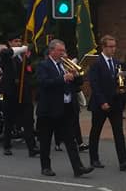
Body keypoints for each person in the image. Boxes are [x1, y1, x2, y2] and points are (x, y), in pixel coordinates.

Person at [35, 39, 93, 177]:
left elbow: (77, 84)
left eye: (64, 50)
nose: (63, 53)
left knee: (70, 140)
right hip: (49, 110)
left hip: (65, 108)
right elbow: (43, 83)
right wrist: (63, 78)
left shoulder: (64, 65)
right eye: (60, 51)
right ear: (52, 51)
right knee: (46, 140)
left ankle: (78, 168)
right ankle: (46, 167)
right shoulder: (44, 65)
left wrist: (76, 75)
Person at [87, 35, 126, 170]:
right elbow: (94, 84)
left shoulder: (117, 63)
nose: (113, 49)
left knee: (119, 133)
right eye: (110, 47)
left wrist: (121, 90)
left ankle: (124, 161)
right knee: (96, 131)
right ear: (103, 47)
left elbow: (119, 82)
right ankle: (94, 159)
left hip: (115, 102)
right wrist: (102, 101)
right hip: (100, 103)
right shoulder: (96, 62)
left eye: (114, 46)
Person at [0, 35, 39, 157]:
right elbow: (6, 53)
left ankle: (32, 147)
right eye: (15, 41)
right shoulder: (6, 55)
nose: (18, 43)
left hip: (24, 93)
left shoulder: (23, 57)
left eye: (19, 41)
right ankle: (6, 145)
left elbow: (28, 73)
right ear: (9, 42)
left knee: (28, 121)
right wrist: (21, 49)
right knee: (9, 121)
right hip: (10, 94)